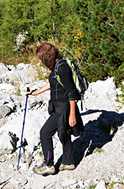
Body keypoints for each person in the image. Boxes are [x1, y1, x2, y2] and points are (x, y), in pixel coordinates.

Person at [27, 42, 83, 176]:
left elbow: (71, 92)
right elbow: (52, 82)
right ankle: (68, 162)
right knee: (63, 133)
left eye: (40, 58)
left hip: (63, 108)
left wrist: (72, 115)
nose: (40, 61)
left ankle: (48, 165)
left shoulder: (62, 68)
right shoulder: (58, 65)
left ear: (47, 57)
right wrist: (36, 93)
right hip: (60, 106)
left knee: (45, 133)